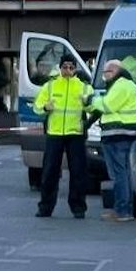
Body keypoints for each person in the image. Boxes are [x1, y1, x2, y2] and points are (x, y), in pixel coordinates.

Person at [34, 55, 90, 218]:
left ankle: (78, 207)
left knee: (78, 172)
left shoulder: (84, 88)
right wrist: (45, 107)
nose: (67, 70)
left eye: (71, 67)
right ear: (60, 68)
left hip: (75, 134)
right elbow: (37, 107)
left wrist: (87, 103)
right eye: (64, 67)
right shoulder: (50, 86)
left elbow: (93, 107)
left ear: (75, 69)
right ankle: (45, 207)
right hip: (55, 133)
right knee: (50, 172)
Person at [90, 59, 136, 222]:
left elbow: (107, 105)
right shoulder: (130, 85)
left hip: (117, 134)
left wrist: (91, 100)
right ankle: (125, 209)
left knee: (118, 174)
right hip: (128, 133)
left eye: (105, 73)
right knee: (125, 173)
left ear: (113, 71)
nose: (104, 76)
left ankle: (122, 211)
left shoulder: (120, 85)